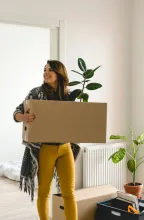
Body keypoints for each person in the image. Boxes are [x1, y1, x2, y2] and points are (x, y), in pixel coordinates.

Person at [13, 60, 80, 220]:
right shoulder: (36, 93)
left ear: (59, 73)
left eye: (50, 70)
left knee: (69, 193)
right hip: (45, 149)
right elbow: (17, 111)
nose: (46, 72)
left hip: (65, 147)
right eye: (44, 70)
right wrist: (22, 117)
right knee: (44, 192)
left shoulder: (67, 94)